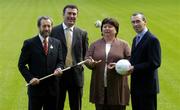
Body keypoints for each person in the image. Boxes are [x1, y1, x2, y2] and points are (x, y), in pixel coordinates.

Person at [18, 16, 64, 110]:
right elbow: (21, 65)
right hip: (36, 90)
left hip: (53, 90)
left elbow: (60, 61)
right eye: (44, 26)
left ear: (51, 27)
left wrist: (59, 68)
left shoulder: (57, 43)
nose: (46, 29)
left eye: (49, 26)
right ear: (39, 27)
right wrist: (30, 78)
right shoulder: (29, 43)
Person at [85, 17, 131, 110]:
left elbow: (130, 61)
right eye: (104, 27)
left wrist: (119, 66)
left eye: (110, 27)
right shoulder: (94, 44)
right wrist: (91, 63)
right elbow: (87, 58)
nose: (106, 29)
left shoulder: (124, 45)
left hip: (117, 86)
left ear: (116, 30)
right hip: (99, 85)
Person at [51, 4, 88, 110]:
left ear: (77, 16)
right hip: (58, 75)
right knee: (57, 106)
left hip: (76, 76)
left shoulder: (82, 33)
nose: (72, 16)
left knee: (76, 107)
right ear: (63, 15)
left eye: (74, 14)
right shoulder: (53, 31)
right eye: (69, 13)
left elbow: (85, 54)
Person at [129, 12, 161, 110]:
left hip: (147, 88)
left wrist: (134, 68)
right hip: (136, 87)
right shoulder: (136, 39)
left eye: (138, 21)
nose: (135, 24)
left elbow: (155, 62)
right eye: (133, 22)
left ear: (145, 22)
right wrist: (120, 65)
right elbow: (135, 59)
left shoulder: (152, 39)